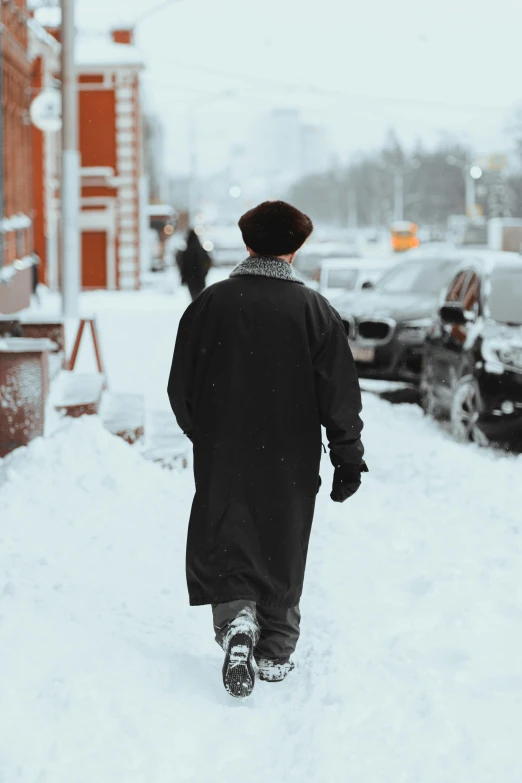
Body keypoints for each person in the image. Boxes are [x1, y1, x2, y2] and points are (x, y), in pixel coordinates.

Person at [168, 201, 367, 698]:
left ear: (247, 244)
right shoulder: (316, 311)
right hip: (291, 455)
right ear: (296, 248)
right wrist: (347, 458)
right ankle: (275, 650)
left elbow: (180, 387)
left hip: (224, 451)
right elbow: (339, 395)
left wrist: (205, 433)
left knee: (227, 533)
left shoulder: (210, 304)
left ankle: (236, 620)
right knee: (282, 541)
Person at [178, 228, 211, 300]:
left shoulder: (186, 252)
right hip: (200, 279)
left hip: (191, 280)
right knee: (200, 298)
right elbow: (208, 262)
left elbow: (183, 265)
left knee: (194, 298)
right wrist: (204, 273)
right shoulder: (201, 250)